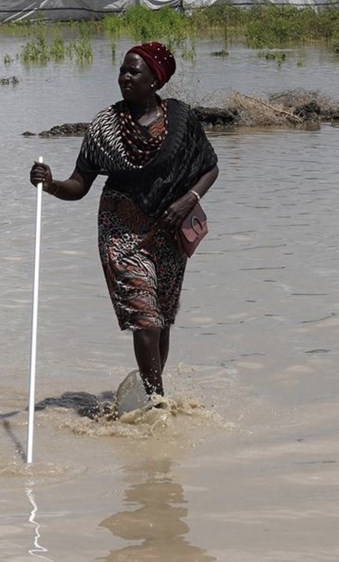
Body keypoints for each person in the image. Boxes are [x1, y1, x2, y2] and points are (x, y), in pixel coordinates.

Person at [28, 42, 219, 401]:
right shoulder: (106, 126)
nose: (125, 77)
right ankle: (157, 405)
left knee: (161, 321)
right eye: (122, 70)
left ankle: (148, 395)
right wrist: (51, 185)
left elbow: (210, 167)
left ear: (155, 81)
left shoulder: (180, 120)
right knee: (144, 319)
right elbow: (79, 185)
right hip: (121, 232)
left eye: (134, 72)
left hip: (169, 230)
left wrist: (188, 200)